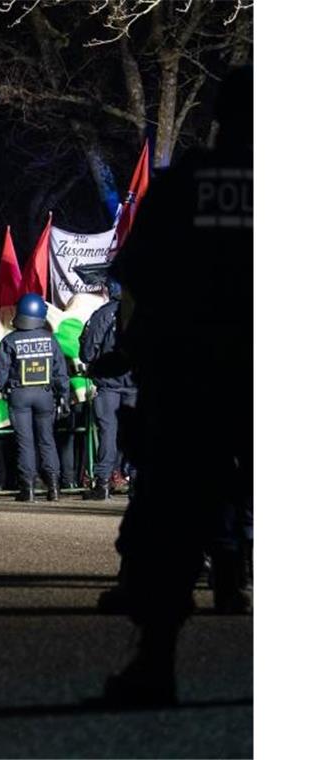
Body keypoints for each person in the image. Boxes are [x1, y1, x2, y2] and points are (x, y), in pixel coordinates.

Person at [99, 66, 253, 706]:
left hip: (193, 366)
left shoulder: (187, 183)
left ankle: (155, 658)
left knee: (177, 502)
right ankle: (232, 581)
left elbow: (138, 272)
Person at [0, 293, 70, 502]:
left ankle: (28, 489)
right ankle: (53, 488)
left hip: (19, 395)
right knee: (47, 440)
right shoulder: (50, 340)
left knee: (24, 442)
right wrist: (64, 395)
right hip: (45, 395)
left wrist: (1, 388)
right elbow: (60, 372)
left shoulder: (10, 340)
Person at [80, 279, 137, 500]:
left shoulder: (104, 313)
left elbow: (88, 351)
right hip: (134, 384)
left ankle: (102, 483)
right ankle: (135, 481)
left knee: (107, 433)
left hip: (108, 385)